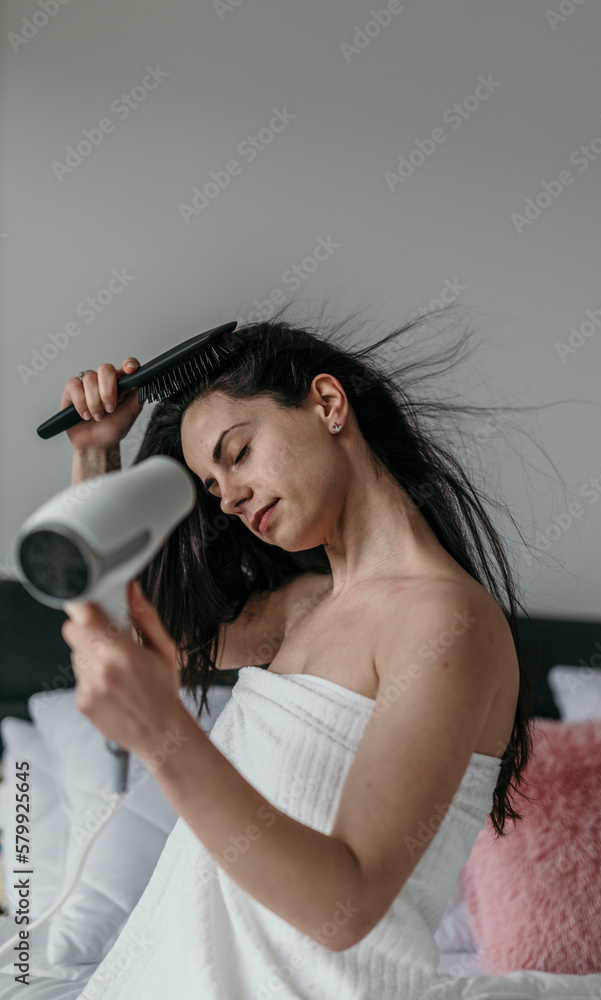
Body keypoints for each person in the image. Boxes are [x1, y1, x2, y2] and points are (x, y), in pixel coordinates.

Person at [55, 302, 537, 1000]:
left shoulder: (446, 620)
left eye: (238, 453)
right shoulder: (303, 607)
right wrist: (94, 455)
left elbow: (346, 907)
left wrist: (165, 734)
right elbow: (118, 638)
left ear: (327, 402)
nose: (226, 500)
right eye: (212, 486)